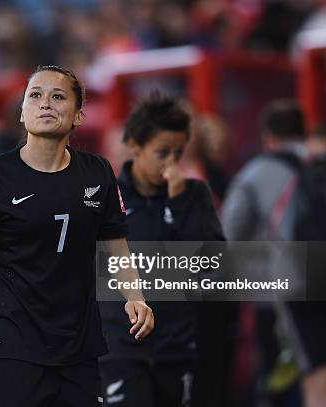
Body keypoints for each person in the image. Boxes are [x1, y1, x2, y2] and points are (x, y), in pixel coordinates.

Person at [0, 65, 154, 407]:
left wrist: (135, 295)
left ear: (78, 116)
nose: (46, 103)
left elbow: (116, 248)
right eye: (36, 96)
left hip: (80, 346)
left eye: (58, 97)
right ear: (23, 112)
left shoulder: (98, 172)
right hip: (12, 345)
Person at [99, 91, 225, 407]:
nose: (171, 163)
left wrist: (179, 203)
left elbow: (214, 264)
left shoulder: (193, 195)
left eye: (178, 153)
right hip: (120, 349)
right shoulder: (106, 198)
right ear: (136, 147)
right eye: (162, 152)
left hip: (177, 349)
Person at [222, 100, 326, 407]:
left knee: (318, 383)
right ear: (302, 132)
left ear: (268, 136)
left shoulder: (255, 174)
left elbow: (227, 236)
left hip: (297, 285)